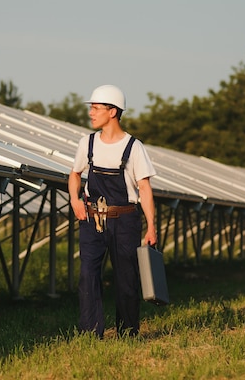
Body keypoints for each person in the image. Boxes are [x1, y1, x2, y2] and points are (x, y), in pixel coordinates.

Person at [68, 84, 157, 338]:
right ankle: (89, 333)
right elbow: (74, 175)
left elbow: (145, 189)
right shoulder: (87, 143)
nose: (91, 113)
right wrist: (75, 199)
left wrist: (151, 227)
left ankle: (127, 333)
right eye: (92, 108)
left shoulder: (134, 147)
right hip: (92, 219)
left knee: (126, 280)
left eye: (96, 108)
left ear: (113, 112)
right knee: (87, 276)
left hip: (125, 220)